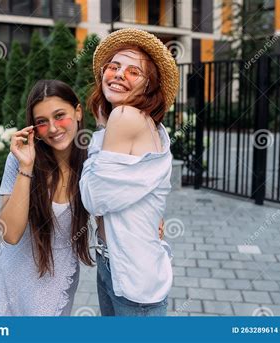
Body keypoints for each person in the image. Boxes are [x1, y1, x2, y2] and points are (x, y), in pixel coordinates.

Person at [0, 80, 93, 316]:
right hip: (13, 275)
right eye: (42, 122)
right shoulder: (20, 160)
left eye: (60, 115)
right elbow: (10, 234)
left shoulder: (93, 159)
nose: (53, 128)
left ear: (78, 111)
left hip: (59, 276)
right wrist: (26, 167)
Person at [80, 28, 180, 316]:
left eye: (134, 71)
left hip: (131, 275)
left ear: (149, 87)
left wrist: (100, 132)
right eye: (113, 66)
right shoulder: (150, 124)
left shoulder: (125, 117)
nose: (119, 74)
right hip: (124, 265)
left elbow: (93, 197)